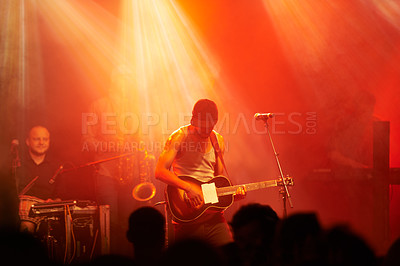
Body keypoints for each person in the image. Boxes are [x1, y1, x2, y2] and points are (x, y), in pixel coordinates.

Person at [155, 99, 246, 247]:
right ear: (193, 119)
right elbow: (159, 172)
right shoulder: (179, 136)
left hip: (214, 219)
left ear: (215, 121)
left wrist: (232, 196)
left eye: (210, 126)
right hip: (187, 218)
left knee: (228, 257)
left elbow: (216, 184)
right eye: (202, 125)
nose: (206, 130)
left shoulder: (218, 140)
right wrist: (188, 188)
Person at [82, 65, 141, 256]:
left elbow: (142, 142)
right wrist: (111, 146)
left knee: (128, 223)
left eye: (129, 79)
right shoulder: (98, 106)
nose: (126, 83)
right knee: (109, 223)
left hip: (130, 174)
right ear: (114, 81)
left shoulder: (135, 109)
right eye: (123, 78)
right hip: (106, 173)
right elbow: (87, 142)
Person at [16, 125, 62, 234]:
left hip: (46, 212)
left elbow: (60, 196)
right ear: (28, 141)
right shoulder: (17, 164)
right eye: (37, 139)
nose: (41, 142)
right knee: (26, 226)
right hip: (20, 212)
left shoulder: (57, 167)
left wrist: (54, 202)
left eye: (45, 139)